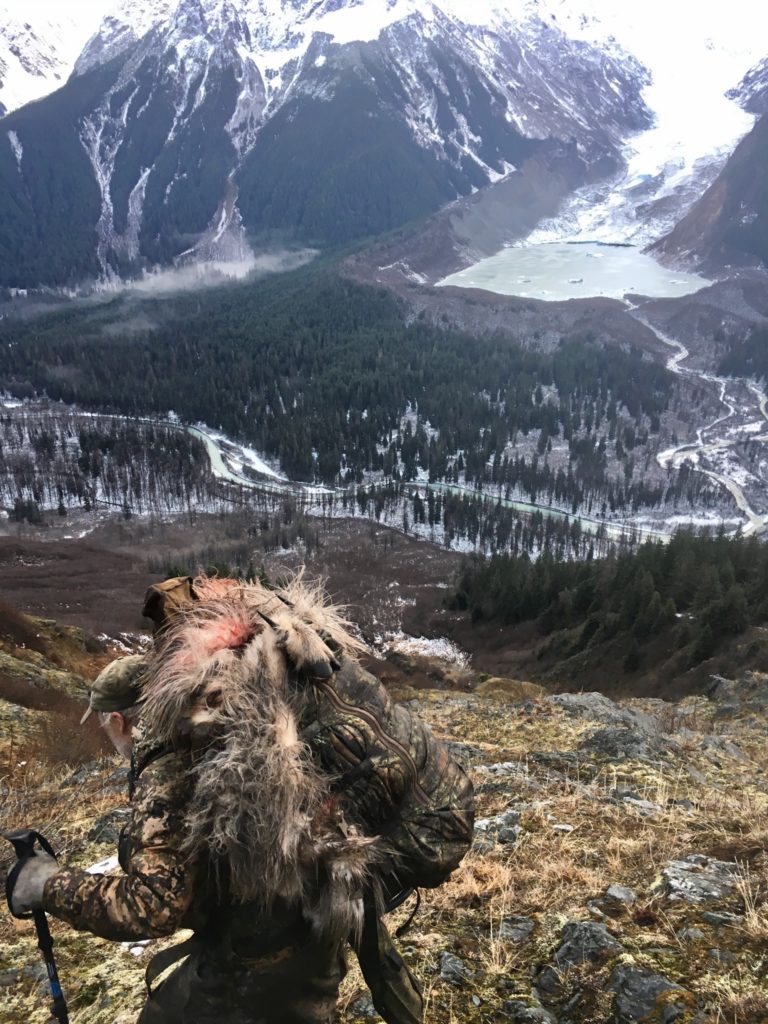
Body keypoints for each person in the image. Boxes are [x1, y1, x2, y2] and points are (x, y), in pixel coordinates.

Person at [7, 575, 473, 1024]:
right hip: (326, 892)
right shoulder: (280, 687)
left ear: (119, 719)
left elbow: (152, 904)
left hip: (265, 941)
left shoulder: (173, 755)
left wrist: (43, 883)